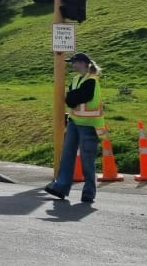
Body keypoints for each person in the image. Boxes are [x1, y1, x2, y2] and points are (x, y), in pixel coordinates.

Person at [44, 52, 105, 203]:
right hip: (74, 122)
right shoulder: (76, 79)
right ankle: (60, 188)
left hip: (89, 126)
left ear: (84, 63)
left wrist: (71, 96)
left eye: (75, 62)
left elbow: (76, 98)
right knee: (67, 156)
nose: (73, 65)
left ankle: (89, 193)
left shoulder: (92, 81)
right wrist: (72, 96)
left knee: (87, 160)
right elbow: (71, 99)